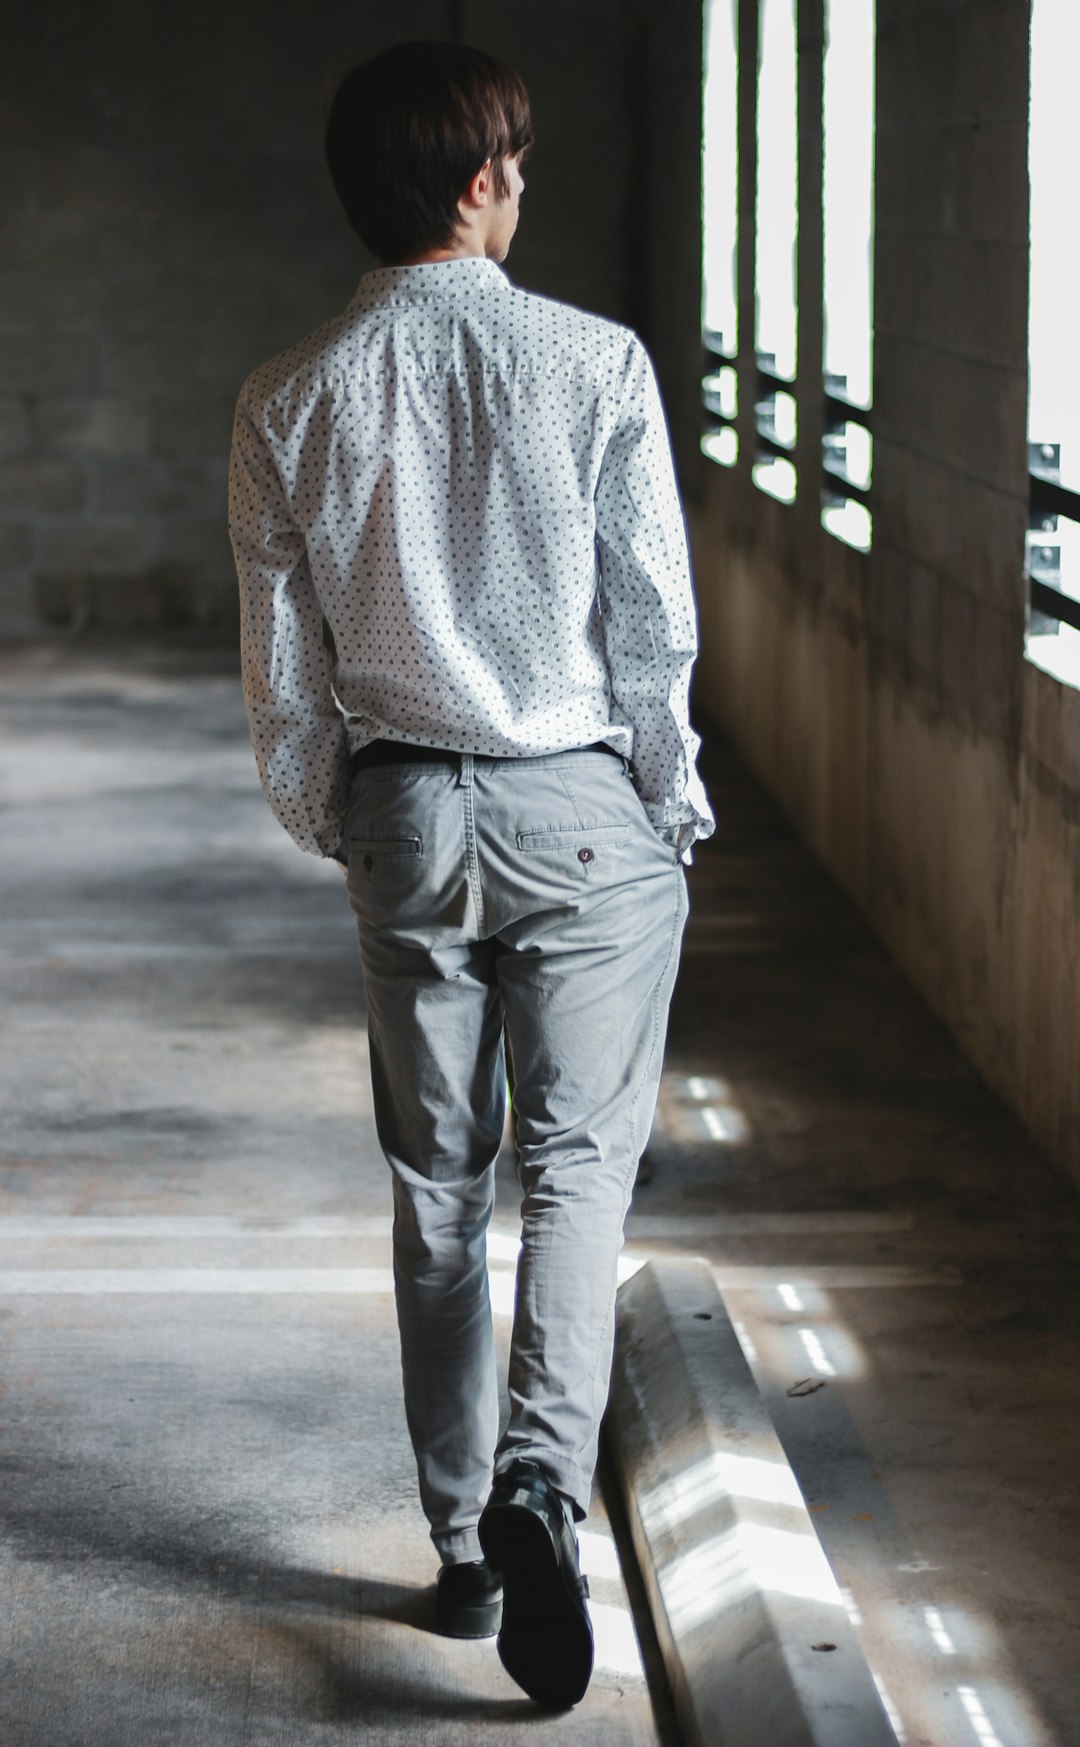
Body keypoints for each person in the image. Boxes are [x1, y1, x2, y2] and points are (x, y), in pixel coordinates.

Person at [227, 39, 714, 1711]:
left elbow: (286, 683)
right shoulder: (597, 364)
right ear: (472, 185)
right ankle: (535, 1492)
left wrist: (344, 819)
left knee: (438, 1186)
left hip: (406, 816)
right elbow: (651, 631)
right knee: (577, 1168)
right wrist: (672, 804)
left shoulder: (288, 393)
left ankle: (454, 1551)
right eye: (512, 159)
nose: (523, 181)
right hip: (580, 804)